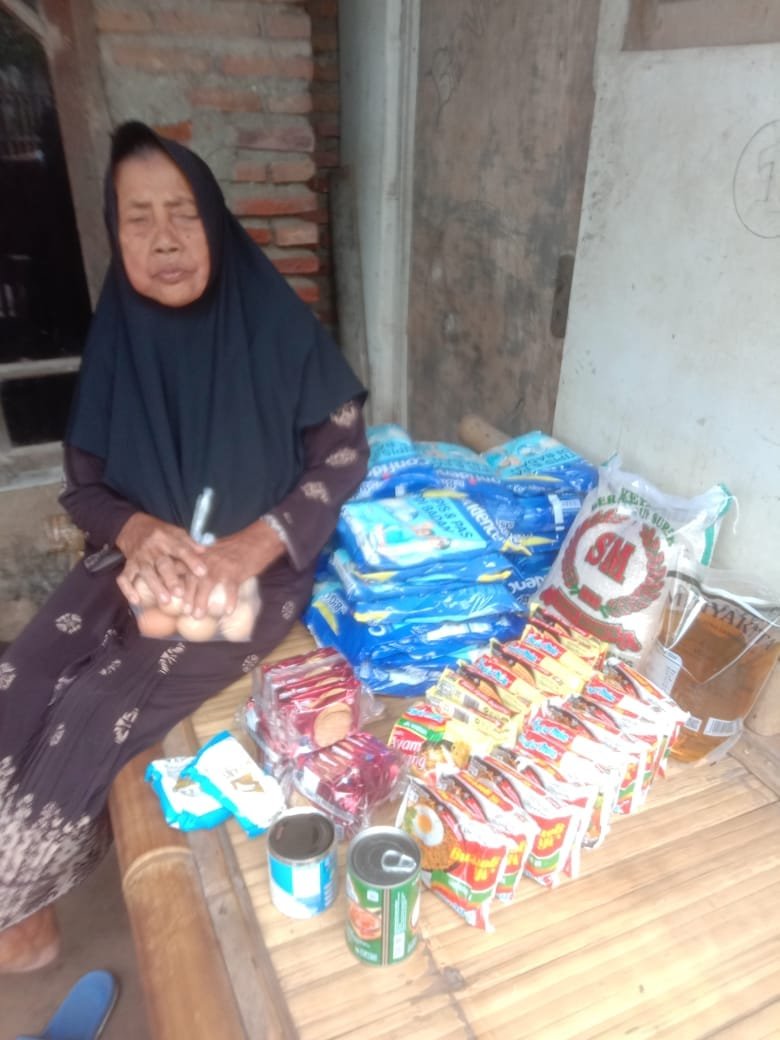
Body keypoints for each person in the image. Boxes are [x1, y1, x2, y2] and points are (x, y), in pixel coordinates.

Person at [0, 120, 368, 971]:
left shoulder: (274, 325)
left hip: (257, 576)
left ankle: (19, 906)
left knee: (96, 709)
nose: (163, 239)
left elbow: (344, 455)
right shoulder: (118, 335)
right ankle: (23, 906)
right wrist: (137, 531)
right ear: (116, 232)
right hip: (133, 564)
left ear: (215, 221)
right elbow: (85, 486)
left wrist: (251, 546)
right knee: (25, 680)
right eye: (138, 218)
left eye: (183, 213)